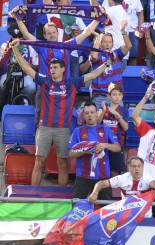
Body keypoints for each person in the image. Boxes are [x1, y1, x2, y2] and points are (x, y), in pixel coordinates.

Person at [11, 46, 107, 186]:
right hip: (44, 128)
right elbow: (27, 68)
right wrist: (15, 50)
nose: (52, 69)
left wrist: (107, 64)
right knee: (39, 162)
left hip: (63, 129)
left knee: (62, 163)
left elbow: (92, 75)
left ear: (63, 69)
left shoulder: (72, 83)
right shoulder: (45, 81)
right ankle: (33, 194)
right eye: (51, 67)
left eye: (55, 67)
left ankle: (61, 198)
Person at [68, 102, 122, 201]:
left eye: (92, 112)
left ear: (97, 113)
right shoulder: (77, 131)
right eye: (87, 113)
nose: (89, 115)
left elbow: (118, 147)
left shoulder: (106, 129)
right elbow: (71, 153)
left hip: (103, 176)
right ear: (83, 115)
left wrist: (105, 145)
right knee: (77, 207)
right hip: (83, 176)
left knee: (105, 209)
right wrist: (85, 150)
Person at [88, 156, 155, 207]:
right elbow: (102, 183)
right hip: (126, 213)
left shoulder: (147, 177)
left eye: (139, 166)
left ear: (143, 167)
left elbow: (153, 183)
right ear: (129, 168)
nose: (137, 169)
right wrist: (94, 193)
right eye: (134, 166)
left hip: (144, 215)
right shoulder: (122, 178)